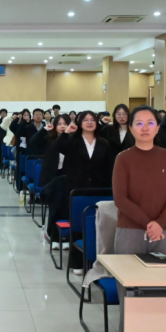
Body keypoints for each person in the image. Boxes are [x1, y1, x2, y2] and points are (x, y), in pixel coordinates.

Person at [50, 111, 114, 275]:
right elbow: (55, 147)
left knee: (99, 227)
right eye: (86, 120)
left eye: (92, 120)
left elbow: (109, 168)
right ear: (80, 123)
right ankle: (77, 262)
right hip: (77, 190)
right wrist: (66, 133)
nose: (89, 122)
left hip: (99, 189)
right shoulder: (72, 140)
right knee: (78, 226)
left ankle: (98, 262)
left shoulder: (104, 142)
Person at [113, 105, 166, 255]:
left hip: (163, 229)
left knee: (162, 270)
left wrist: (160, 223)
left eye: (150, 123)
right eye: (139, 123)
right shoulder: (123, 158)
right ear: (131, 129)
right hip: (130, 230)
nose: (145, 128)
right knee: (129, 270)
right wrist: (148, 224)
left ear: (157, 128)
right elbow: (120, 198)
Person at [35, 114, 70, 250]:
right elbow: (33, 142)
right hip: (52, 177)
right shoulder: (49, 138)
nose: (62, 126)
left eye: (65, 124)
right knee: (54, 207)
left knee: (66, 208)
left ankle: (65, 236)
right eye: (59, 124)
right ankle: (54, 236)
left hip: (67, 176)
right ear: (55, 126)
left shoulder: (73, 140)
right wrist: (44, 129)